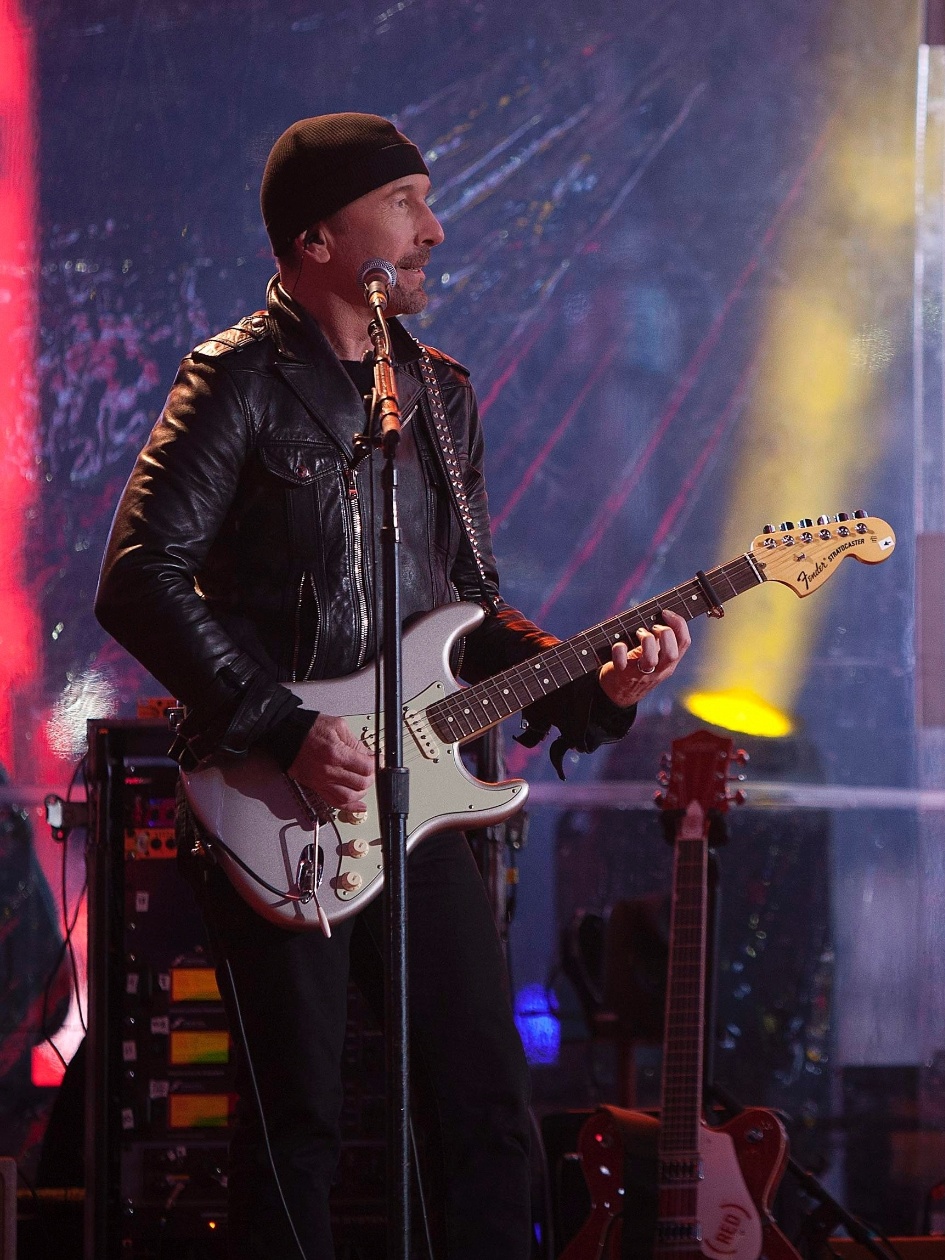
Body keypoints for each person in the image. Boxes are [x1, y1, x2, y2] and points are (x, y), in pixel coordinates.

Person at [94, 113, 691, 1258]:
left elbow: (466, 611)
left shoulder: (437, 392)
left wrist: (591, 690)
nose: (435, 227)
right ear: (318, 237)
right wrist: (279, 725)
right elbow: (138, 578)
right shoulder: (237, 384)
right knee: (298, 1131)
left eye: (428, 200)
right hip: (279, 802)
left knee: (484, 1112)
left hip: (419, 804)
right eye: (406, 202)